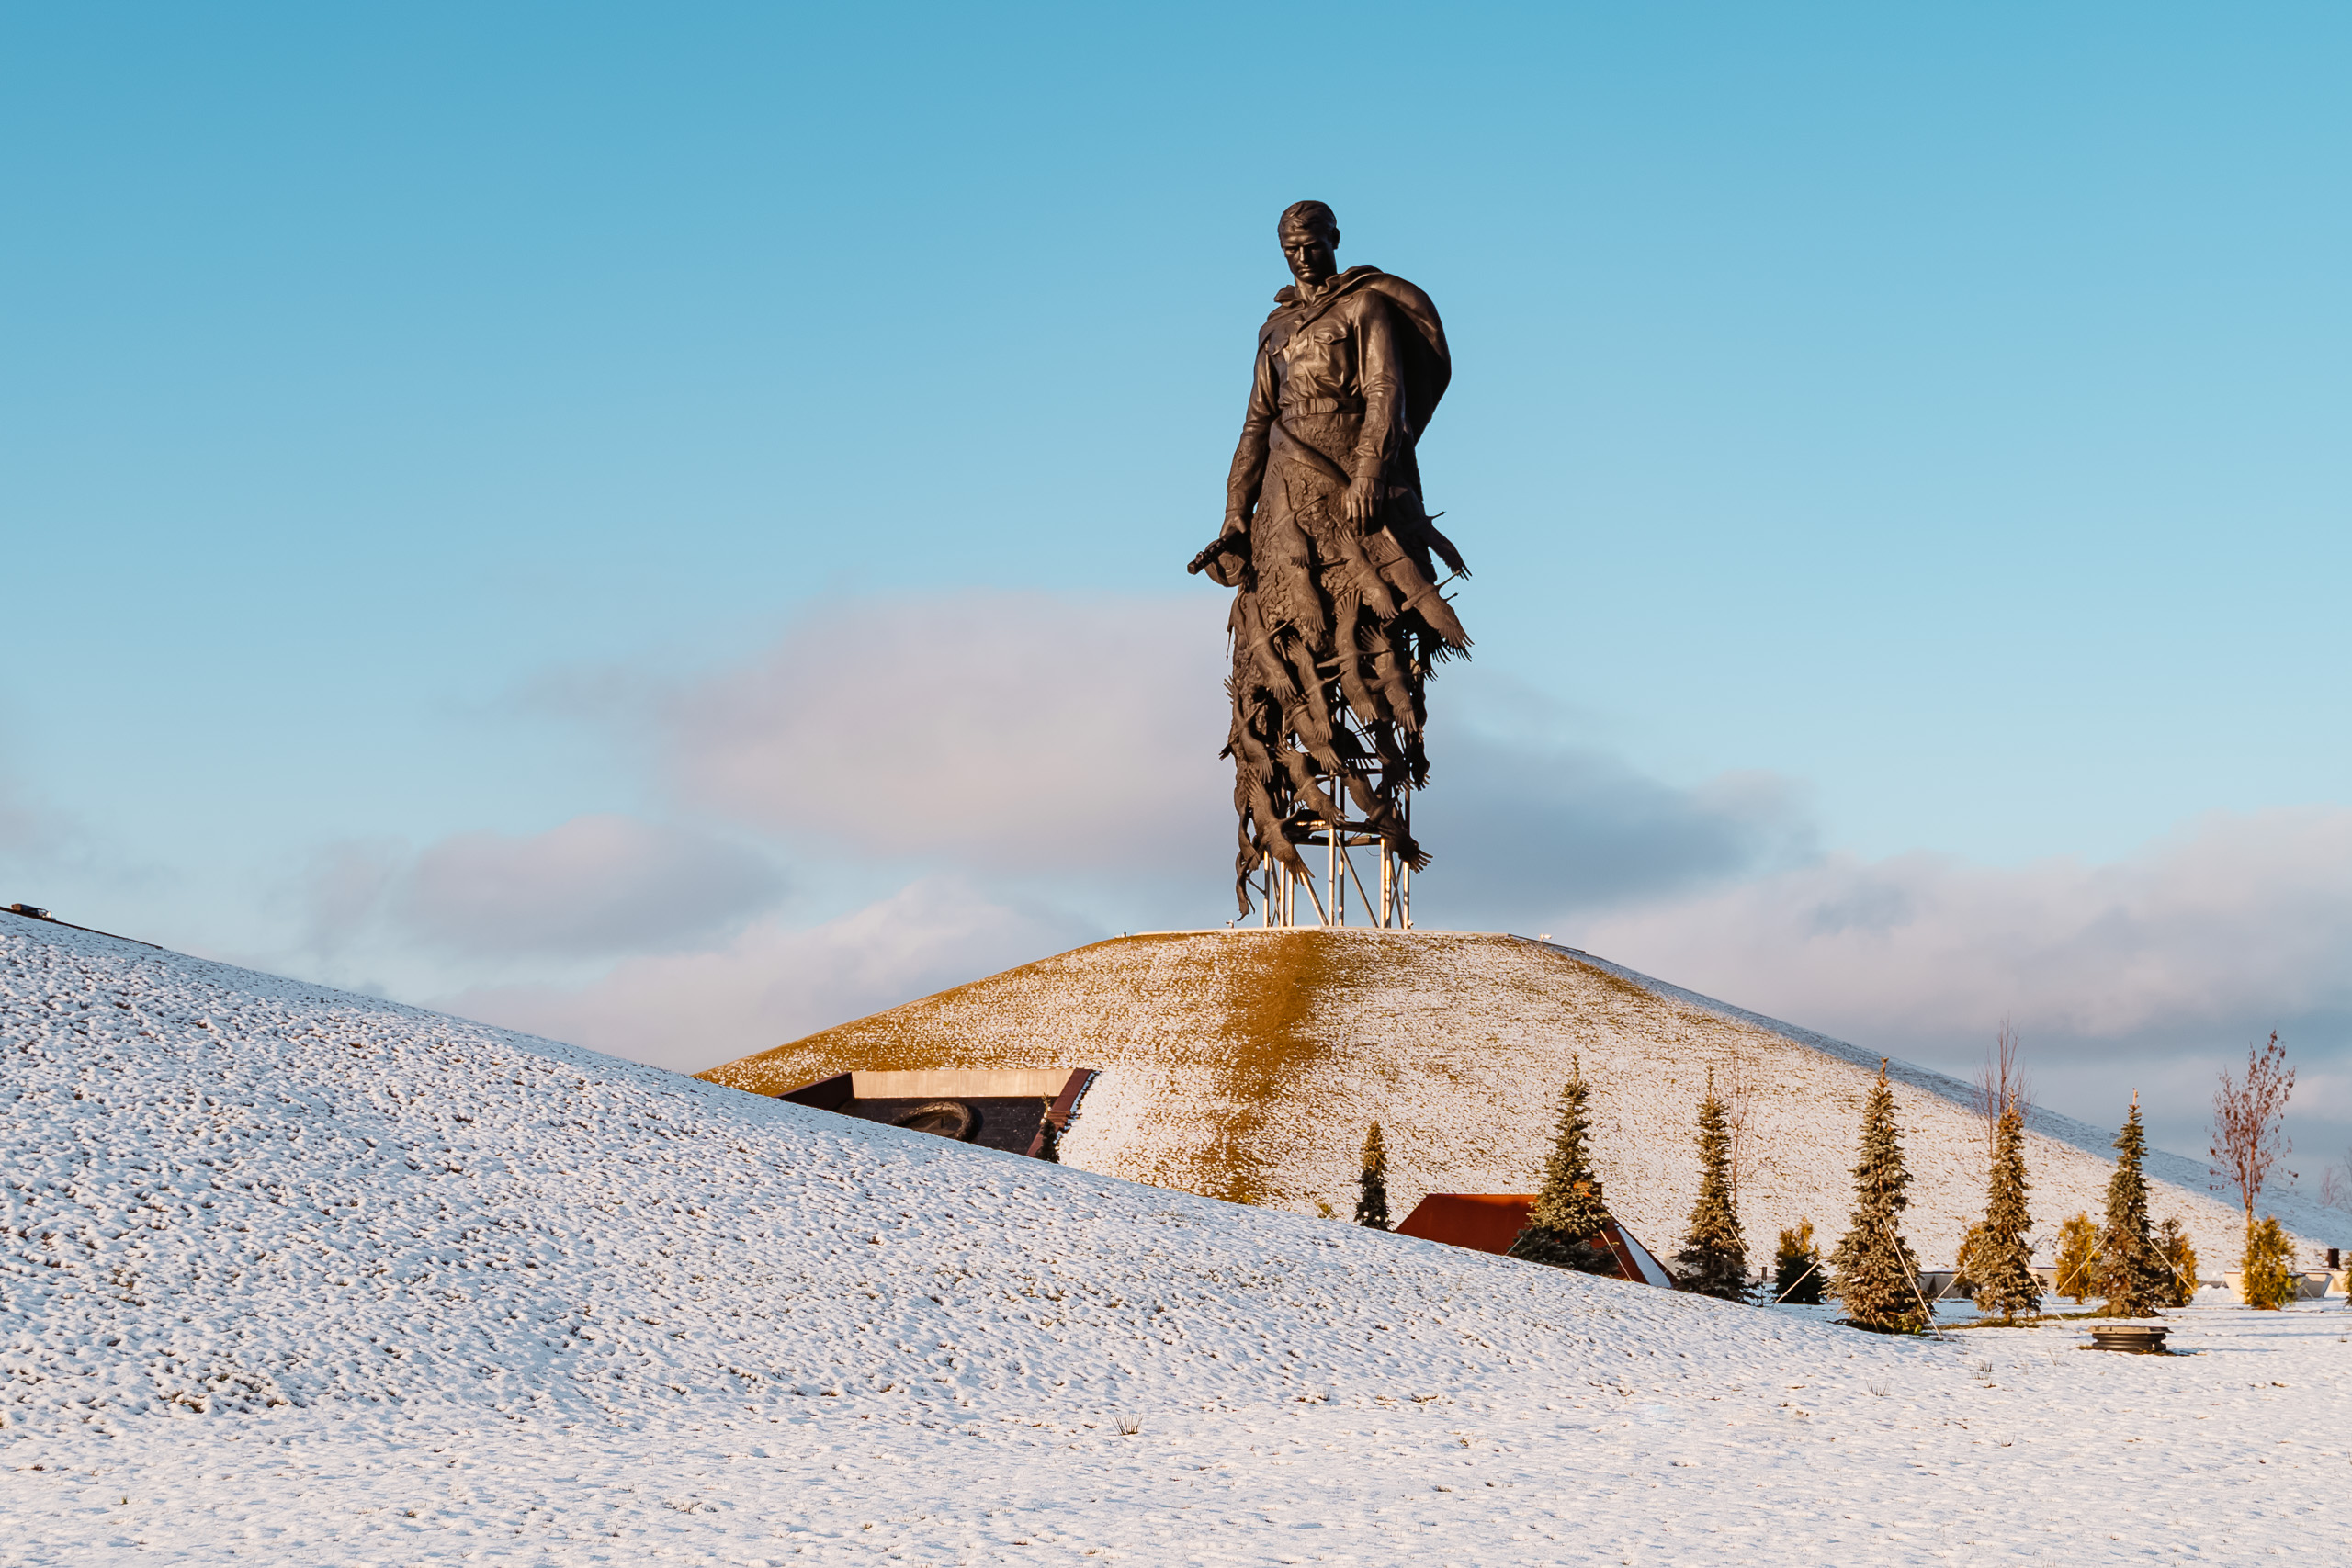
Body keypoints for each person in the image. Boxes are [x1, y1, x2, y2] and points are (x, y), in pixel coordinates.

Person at [1188, 202, 1470, 914]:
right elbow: (1254, 424)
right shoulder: (1274, 330)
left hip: (1353, 493)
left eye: (1313, 245)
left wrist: (1373, 469)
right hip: (1285, 501)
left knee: (1366, 647)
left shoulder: (1366, 307)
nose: (1303, 259)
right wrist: (1231, 519)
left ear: (1335, 241)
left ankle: (1380, 815)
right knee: (1285, 666)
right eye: (1291, 249)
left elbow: (1387, 393)